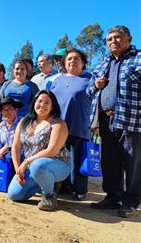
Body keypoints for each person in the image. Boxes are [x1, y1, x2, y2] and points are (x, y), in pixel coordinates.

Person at [87, 25, 140, 218]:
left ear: (129, 39)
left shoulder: (139, 58)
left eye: (117, 37)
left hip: (131, 120)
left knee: (132, 162)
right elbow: (88, 90)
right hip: (105, 119)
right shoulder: (103, 62)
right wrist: (95, 84)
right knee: (109, 160)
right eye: (109, 39)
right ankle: (112, 197)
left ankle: (131, 201)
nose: (113, 42)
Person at [7, 90, 71, 211]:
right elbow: (15, 146)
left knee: (37, 165)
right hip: (34, 167)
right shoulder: (24, 121)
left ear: (52, 107)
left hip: (58, 165)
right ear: (34, 103)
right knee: (14, 194)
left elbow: (51, 151)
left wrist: (26, 162)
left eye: (47, 102)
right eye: (39, 101)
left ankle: (49, 196)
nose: (42, 105)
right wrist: (18, 170)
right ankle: (45, 182)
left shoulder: (58, 124)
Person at [50, 49, 92, 200]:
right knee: (59, 158)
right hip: (58, 128)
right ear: (64, 63)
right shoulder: (57, 80)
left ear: (83, 62)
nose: (72, 61)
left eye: (76, 59)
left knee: (78, 160)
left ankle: (79, 190)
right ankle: (63, 186)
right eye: (69, 59)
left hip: (79, 126)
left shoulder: (90, 78)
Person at [0, 60, 38, 128]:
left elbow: (37, 105)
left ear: (26, 71)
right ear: (13, 70)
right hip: (7, 122)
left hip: (25, 123)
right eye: (17, 69)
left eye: (22, 69)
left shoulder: (33, 86)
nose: (19, 71)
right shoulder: (6, 84)